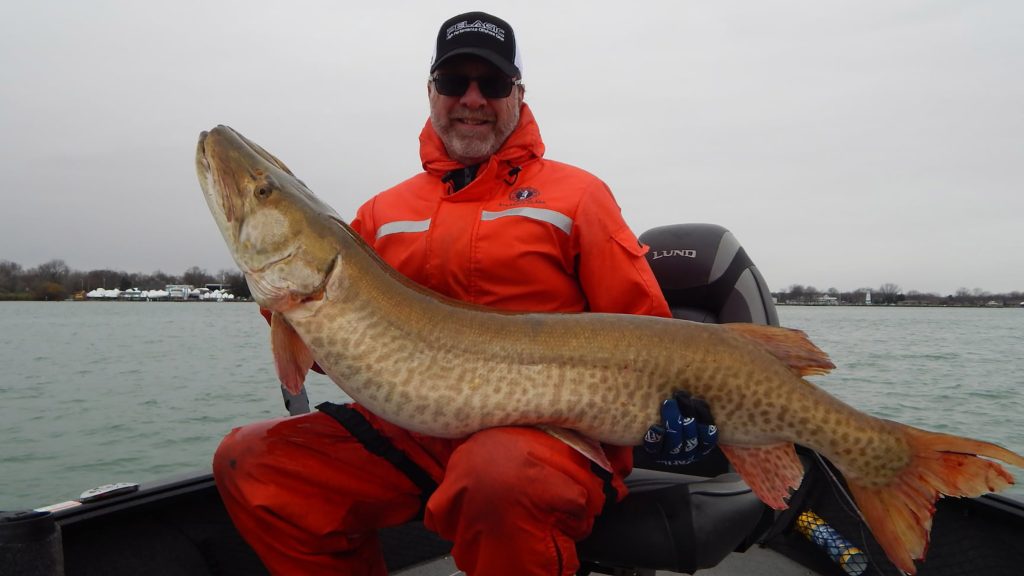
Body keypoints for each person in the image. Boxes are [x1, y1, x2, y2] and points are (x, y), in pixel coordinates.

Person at [213, 11, 716, 576]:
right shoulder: (381, 214)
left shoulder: (579, 197)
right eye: (454, 83)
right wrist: (287, 310)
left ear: (518, 95)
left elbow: (648, 329)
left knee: (495, 475)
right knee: (252, 462)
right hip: (411, 432)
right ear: (431, 92)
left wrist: (683, 411)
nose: (472, 98)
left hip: (546, 441)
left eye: (493, 84)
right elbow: (339, 361)